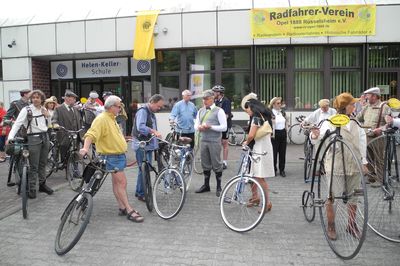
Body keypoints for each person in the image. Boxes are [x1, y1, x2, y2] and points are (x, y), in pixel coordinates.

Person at [310, 92, 368, 240]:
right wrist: (315, 135)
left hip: (354, 165)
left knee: (354, 197)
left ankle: (351, 224)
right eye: (352, 104)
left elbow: (362, 142)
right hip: (336, 165)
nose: (354, 106)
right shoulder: (331, 121)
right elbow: (318, 137)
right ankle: (331, 225)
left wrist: (364, 162)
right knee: (332, 197)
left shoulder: (355, 122)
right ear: (344, 107)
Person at [79, 95, 144, 223]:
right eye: (119, 106)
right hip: (112, 157)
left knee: (117, 183)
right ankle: (129, 209)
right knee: (122, 183)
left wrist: (123, 139)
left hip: (117, 156)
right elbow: (91, 134)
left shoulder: (111, 118)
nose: (120, 109)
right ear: (111, 107)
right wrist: (85, 148)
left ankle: (121, 207)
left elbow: (110, 135)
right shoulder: (102, 118)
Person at [7, 90, 53, 198]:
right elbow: (17, 124)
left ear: (42, 99)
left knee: (43, 163)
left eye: (38, 97)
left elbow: (49, 125)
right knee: (34, 165)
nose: (36, 99)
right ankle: (32, 189)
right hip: (33, 138)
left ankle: (42, 185)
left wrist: (48, 116)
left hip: (45, 136)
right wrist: (10, 137)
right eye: (34, 97)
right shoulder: (26, 110)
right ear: (31, 99)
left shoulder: (44, 109)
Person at [242, 98, 274, 212]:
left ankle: (267, 203)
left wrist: (245, 142)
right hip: (265, 147)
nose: (248, 112)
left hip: (259, 149)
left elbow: (251, 135)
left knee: (260, 177)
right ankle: (258, 199)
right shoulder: (265, 116)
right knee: (258, 176)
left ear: (252, 107)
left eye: (248, 109)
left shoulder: (256, 118)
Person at [132, 94, 164, 201]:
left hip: (148, 146)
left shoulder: (150, 112)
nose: (159, 109)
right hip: (142, 146)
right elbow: (140, 127)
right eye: (158, 106)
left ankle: (139, 191)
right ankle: (141, 193)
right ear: (153, 102)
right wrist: (153, 131)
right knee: (144, 169)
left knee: (144, 169)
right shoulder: (143, 111)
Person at [195, 90, 227, 197]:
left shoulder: (219, 111)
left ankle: (219, 186)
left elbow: (224, 127)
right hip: (203, 140)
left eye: (207, 99)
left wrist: (211, 127)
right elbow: (196, 125)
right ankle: (206, 185)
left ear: (212, 99)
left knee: (217, 163)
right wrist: (198, 127)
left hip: (214, 141)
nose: (204, 101)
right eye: (203, 99)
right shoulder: (200, 111)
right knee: (205, 163)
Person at [357, 87, 390, 185]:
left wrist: (381, 129)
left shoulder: (384, 106)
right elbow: (358, 117)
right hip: (367, 136)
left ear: (375, 96)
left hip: (378, 138)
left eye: (368, 95)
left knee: (379, 158)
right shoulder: (367, 106)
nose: (366, 97)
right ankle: (371, 176)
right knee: (368, 157)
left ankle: (380, 179)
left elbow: (389, 123)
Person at [52, 90, 83, 163]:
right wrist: (55, 125)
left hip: (76, 136)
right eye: (74, 99)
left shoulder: (75, 109)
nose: (75, 101)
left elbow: (80, 121)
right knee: (65, 156)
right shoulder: (58, 109)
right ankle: (66, 167)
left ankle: (74, 169)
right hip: (64, 136)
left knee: (76, 154)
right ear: (68, 99)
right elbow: (54, 120)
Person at [212, 85, 232, 169]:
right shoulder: (215, 101)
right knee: (216, 144)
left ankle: (224, 162)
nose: (213, 94)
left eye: (214, 92)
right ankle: (217, 161)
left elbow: (226, 115)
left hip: (225, 125)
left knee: (224, 143)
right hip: (217, 126)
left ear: (219, 93)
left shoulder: (226, 101)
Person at [269, 97, 287, 177]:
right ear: (273, 104)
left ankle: (282, 170)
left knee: (282, 153)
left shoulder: (282, 112)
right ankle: (274, 169)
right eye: (278, 103)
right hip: (275, 134)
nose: (280, 105)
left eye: (280, 103)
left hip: (283, 132)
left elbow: (285, 121)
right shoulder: (270, 113)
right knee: (274, 153)